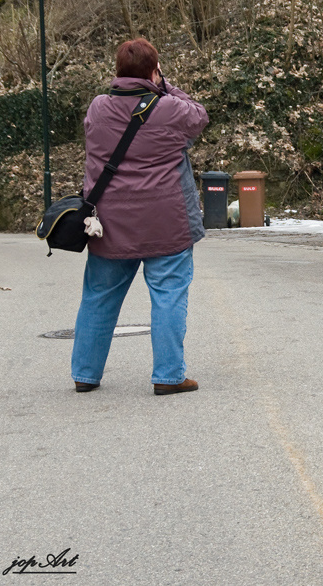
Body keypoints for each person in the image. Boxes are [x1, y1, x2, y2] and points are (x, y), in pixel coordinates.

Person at [71, 37, 209, 396]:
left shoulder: (98, 108)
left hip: (109, 226)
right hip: (167, 223)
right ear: (153, 70)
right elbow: (199, 115)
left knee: (99, 296)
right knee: (168, 295)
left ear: (118, 72)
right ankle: (168, 376)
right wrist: (164, 85)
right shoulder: (171, 109)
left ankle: (85, 373)